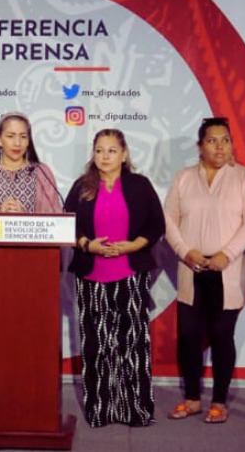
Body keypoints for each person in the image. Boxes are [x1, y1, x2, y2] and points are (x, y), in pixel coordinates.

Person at [164, 117, 245, 424]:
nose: (219, 147)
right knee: (189, 336)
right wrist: (185, 251)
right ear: (199, 145)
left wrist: (227, 254)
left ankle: (219, 401)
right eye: (212, 140)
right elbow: (168, 220)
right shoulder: (184, 177)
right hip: (191, 266)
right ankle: (191, 398)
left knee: (222, 335)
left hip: (226, 269)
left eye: (225, 140)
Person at [64, 128, 164, 428]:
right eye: (99, 150)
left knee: (132, 344)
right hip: (91, 275)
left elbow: (156, 224)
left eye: (111, 150)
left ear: (124, 154)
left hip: (130, 274)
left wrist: (134, 245)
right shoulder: (82, 186)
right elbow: (65, 225)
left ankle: (136, 410)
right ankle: (101, 410)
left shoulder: (140, 185)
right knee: (97, 345)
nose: (104, 156)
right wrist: (87, 245)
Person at [0, 112, 62, 213]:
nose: (17, 143)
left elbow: (55, 221)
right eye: (10, 136)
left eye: (23, 137)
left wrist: (26, 218)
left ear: (28, 141)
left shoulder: (41, 173)